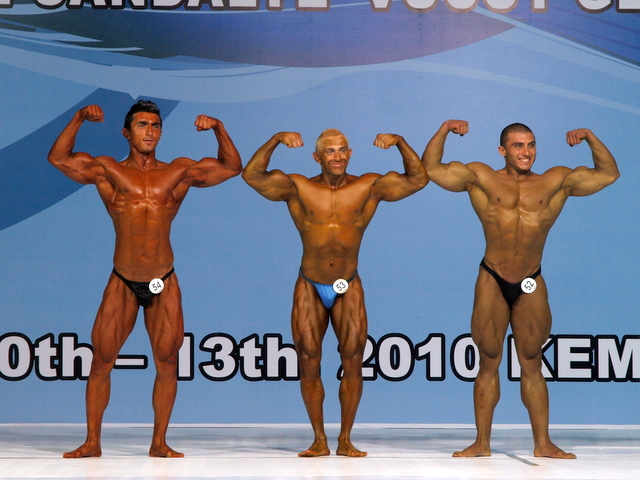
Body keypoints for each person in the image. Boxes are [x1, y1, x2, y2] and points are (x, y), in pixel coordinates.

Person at [48, 101, 242, 458]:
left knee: (167, 362)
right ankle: (92, 442)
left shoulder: (179, 171)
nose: (150, 131)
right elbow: (58, 159)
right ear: (127, 132)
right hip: (123, 278)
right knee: (101, 360)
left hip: (162, 280)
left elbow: (231, 167)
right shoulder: (108, 170)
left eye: (155, 125)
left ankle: (159, 443)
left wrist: (218, 127)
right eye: (142, 125)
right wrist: (78, 118)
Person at [423, 120, 619, 459]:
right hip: (492, 277)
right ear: (503, 150)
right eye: (518, 145)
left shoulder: (554, 181)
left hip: (531, 278)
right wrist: (443, 129)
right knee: (489, 360)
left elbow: (608, 174)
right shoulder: (482, 177)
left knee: (531, 360)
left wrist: (590, 137)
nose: (526, 152)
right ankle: (482, 443)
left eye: (531, 145)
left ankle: (543, 443)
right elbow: (431, 168)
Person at [242, 129, 428, 457]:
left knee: (353, 359)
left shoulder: (368, 186)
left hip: (348, 283)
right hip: (310, 283)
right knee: (308, 359)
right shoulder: (298, 187)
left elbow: (418, 179)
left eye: (342, 150)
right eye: (330, 151)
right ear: (317, 157)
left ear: (350, 153)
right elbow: (252, 176)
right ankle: (319, 439)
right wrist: (275, 140)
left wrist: (400, 142)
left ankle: (345, 439)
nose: (337, 156)